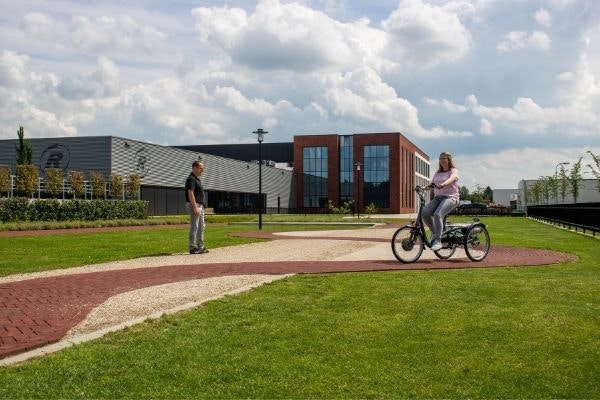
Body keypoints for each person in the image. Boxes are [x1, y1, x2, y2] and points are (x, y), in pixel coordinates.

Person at [422, 151, 459, 251]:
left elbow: (453, 178)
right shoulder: (437, 173)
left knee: (438, 214)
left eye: (444, 158)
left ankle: (438, 241)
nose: (441, 160)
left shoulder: (453, 170)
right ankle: (435, 233)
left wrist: (444, 184)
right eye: (440, 158)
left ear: (448, 160)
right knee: (424, 212)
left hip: (451, 198)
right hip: (438, 198)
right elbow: (432, 184)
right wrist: (423, 188)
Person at [185, 160, 208, 254]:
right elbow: (190, 193)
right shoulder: (191, 179)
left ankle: (200, 247)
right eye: (201, 168)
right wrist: (195, 207)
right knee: (195, 226)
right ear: (195, 168)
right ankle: (192, 247)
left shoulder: (197, 179)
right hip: (195, 205)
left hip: (200, 205)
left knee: (201, 227)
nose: (202, 170)